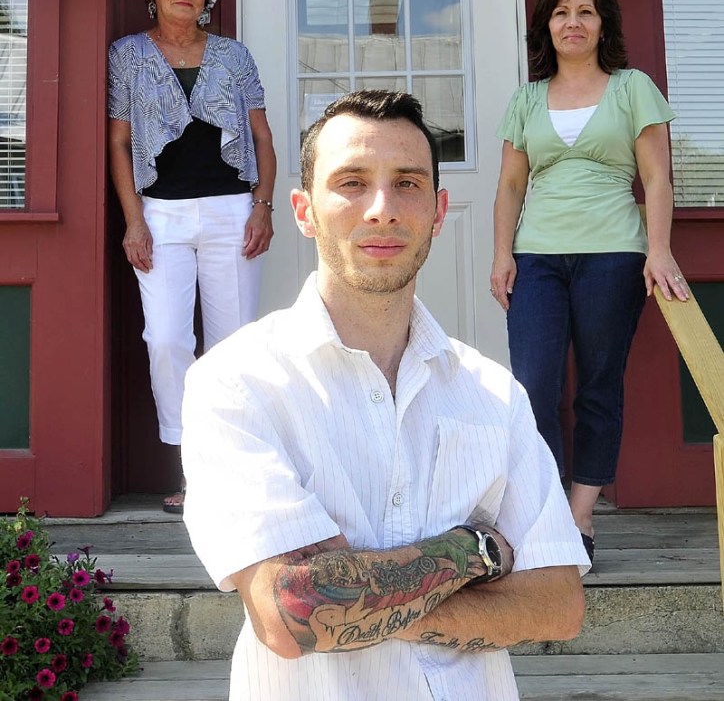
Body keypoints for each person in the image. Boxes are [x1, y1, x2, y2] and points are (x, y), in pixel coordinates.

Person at [182, 89, 588, 701]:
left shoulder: (492, 393)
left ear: (438, 209)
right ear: (304, 210)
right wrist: (475, 552)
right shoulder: (238, 383)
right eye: (351, 182)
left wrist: (358, 601)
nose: (382, 209)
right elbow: (293, 616)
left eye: (407, 183)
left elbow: (558, 604)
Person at [490, 0, 688, 562]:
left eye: (584, 12)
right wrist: (502, 254)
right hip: (538, 259)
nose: (571, 23)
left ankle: (579, 519)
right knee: (534, 386)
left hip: (613, 254)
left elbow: (656, 177)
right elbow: (509, 185)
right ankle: (546, 510)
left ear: (603, 24)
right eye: (559, 14)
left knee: (598, 388)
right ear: (545, 28)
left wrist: (659, 248)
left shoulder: (632, 89)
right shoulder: (527, 99)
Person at [108, 0, 276, 514]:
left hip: (233, 212)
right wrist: (134, 221)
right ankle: (190, 468)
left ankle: (230, 473)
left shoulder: (233, 55)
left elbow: (261, 138)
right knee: (168, 340)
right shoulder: (128, 55)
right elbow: (121, 142)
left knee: (233, 346)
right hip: (162, 216)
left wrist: (264, 205)